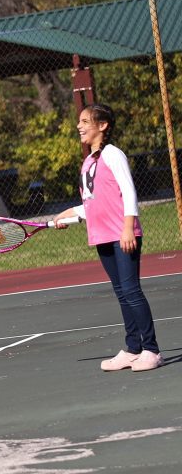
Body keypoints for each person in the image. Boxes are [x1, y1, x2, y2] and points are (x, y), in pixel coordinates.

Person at [54, 103, 161, 372]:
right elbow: (94, 201)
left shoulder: (113, 154)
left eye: (85, 121)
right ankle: (132, 349)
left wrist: (128, 228)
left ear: (103, 126)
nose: (79, 126)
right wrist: (70, 213)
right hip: (101, 236)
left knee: (131, 291)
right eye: (79, 121)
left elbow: (129, 191)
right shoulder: (89, 161)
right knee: (121, 294)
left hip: (121, 235)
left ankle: (151, 349)